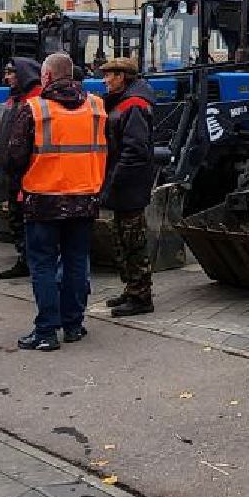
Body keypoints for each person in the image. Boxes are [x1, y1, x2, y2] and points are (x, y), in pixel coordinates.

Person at [4, 52, 106, 352]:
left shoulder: (34, 109)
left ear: (46, 77)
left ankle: (46, 331)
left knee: (43, 265)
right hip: (85, 198)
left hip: (44, 200)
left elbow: (13, 157)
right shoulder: (97, 107)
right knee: (76, 262)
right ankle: (73, 325)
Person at [97, 57, 157, 316]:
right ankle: (132, 289)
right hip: (123, 183)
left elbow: (134, 149)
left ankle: (142, 297)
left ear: (122, 77)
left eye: (109, 75)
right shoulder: (123, 102)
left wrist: (114, 181)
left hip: (129, 185)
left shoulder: (134, 105)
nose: (105, 79)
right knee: (123, 239)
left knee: (133, 241)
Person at [0, 60, 43, 281]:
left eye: (11, 73)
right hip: (14, 171)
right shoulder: (13, 100)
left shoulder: (35, 101)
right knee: (17, 217)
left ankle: (32, 260)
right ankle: (24, 257)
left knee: (29, 219)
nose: (7, 78)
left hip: (29, 173)